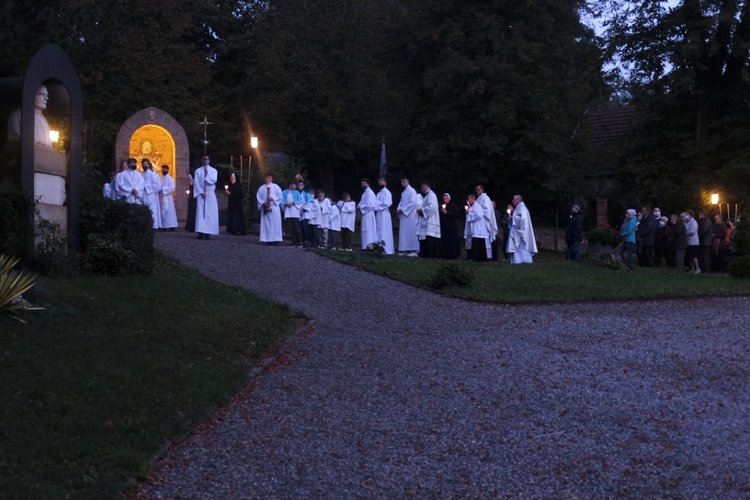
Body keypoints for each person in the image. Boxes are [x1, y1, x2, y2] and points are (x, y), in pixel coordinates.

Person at [193, 155, 219, 240]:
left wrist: (207, 174)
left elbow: (213, 180)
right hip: (202, 194)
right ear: (202, 160)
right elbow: (196, 182)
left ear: (209, 160)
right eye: (204, 159)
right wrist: (201, 192)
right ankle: (200, 232)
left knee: (210, 213)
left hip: (210, 193)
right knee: (201, 213)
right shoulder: (197, 171)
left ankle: (208, 232)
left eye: (207, 159)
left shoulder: (213, 170)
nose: (205, 160)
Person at [508, 195, 538, 264]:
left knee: (522, 247)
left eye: (514, 200)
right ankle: (517, 260)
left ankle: (523, 260)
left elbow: (522, 220)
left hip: (521, 233)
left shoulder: (523, 208)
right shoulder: (518, 208)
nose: (512, 201)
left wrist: (512, 218)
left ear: (519, 200)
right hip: (517, 232)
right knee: (518, 248)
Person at [256, 172, 283, 245]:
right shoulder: (261, 188)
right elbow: (258, 197)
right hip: (266, 208)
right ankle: (268, 240)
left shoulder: (276, 187)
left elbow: (280, 196)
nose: (268, 179)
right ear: (264, 178)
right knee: (267, 225)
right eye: (267, 178)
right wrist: (264, 203)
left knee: (275, 224)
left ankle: (276, 239)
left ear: (271, 179)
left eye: (270, 178)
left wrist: (273, 198)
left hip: (274, 208)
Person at [396, 177, 419, 257]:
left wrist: (402, 210)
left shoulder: (412, 191)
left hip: (410, 215)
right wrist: (398, 209)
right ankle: (404, 249)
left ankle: (412, 249)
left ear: (408, 181)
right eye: (401, 182)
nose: (402, 183)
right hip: (404, 215)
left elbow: (413, 203)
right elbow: (401, 203)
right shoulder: (403, 193)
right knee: (404, 232)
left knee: (410, 231)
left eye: (404, 181)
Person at [417, 181, 441, 258]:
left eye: (422, 187)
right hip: (426, 220)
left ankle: (430, 255)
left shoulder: (431, 195)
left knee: (430, 238)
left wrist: (422, 210)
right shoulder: (428, 195)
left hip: (431, 221)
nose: (421, 189)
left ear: (425, 187)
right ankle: (425, 254)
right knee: (425, 237)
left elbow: (432, 207)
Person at [475, 184, 498, 260]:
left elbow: (487, 210)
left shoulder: (485, 198)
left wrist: (478, 211)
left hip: (485, 222)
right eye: (476, 189)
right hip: (480, 222)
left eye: (478, 189)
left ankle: (487, 256)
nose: (477, 191)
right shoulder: (478, 199)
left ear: (482, 190)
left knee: (486, 240)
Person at [464, 194, 488, 261]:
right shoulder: (471, 206)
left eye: (469, 199)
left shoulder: (477, 206)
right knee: (471, 243)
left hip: (477, 229)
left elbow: (478, 215)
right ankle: (470, 256)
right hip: (471, 229)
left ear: (473, 199)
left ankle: (476, 257)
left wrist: (469, 213)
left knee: (477, 244)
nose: (467, 200)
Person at [375, 177, 394, 254]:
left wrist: (377, 205)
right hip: (379, 214)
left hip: (384, 214)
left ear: (385, 183)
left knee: (385, 231)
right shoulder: (378, 193)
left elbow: (387, 203)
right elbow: (375, 203)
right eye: (379, 182)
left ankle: (387, 249)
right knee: (378, 230)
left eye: (381, 182)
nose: (380, 184)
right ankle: (379, 247)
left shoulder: (387, 193)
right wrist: (377, 205)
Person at [141, 159, 162, 229]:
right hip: (143, 194)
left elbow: (157, 185)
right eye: (143, 164)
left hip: (150, 194)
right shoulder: (141, 174)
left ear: (148, 165)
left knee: (152, 210)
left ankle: (153, 226)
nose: (144, 165)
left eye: (146, 164)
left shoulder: (152, 174)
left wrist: (147, 188)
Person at [281, 180, 303, 247]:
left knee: (296, 227)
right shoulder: (284, 192)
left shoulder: (296, 192)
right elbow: (281, 201)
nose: (294, 186)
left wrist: (293, 203)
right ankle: (293, 241)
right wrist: (285, 204)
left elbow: (301, 201)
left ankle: (300, 242)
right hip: (288, 211)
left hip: (295, 211)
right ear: (289, 185)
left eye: (295, 185)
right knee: (291, 227)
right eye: (293, 185)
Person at [358, 178, 379, 249]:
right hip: (364, 214)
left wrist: (360, 206)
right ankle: (364, 246)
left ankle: (370, 246)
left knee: (369, 230)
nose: (363, 185)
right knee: (364, 230)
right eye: (362, 184)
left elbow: (371, 205)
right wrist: (359, 206)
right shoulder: (364, 194)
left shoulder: (370, 193)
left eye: (364, 184)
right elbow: (361, 203)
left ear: (368, 184)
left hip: (369, 214)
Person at [440, 193, 461, 259]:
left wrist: (447, 213)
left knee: (452, 241)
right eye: (444, 199)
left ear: (449, 199)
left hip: (451, 226)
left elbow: (456, 214)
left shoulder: (453, 205)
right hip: (444, 226)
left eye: (446, 198)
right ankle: (445, 254)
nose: (445, 200)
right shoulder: (443, 205)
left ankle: (453, 254)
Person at [159, 164, 178, 231]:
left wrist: (163, 189)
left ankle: (171, 226)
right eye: (163, 169)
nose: (163, 170)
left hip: (168, 197)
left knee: (169, 212)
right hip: (162, 198)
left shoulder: (170, 179)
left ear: (167, 170)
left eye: (165, 169)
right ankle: (163, 226)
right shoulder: (160, 178)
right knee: (162, 212)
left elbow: (172, 188)